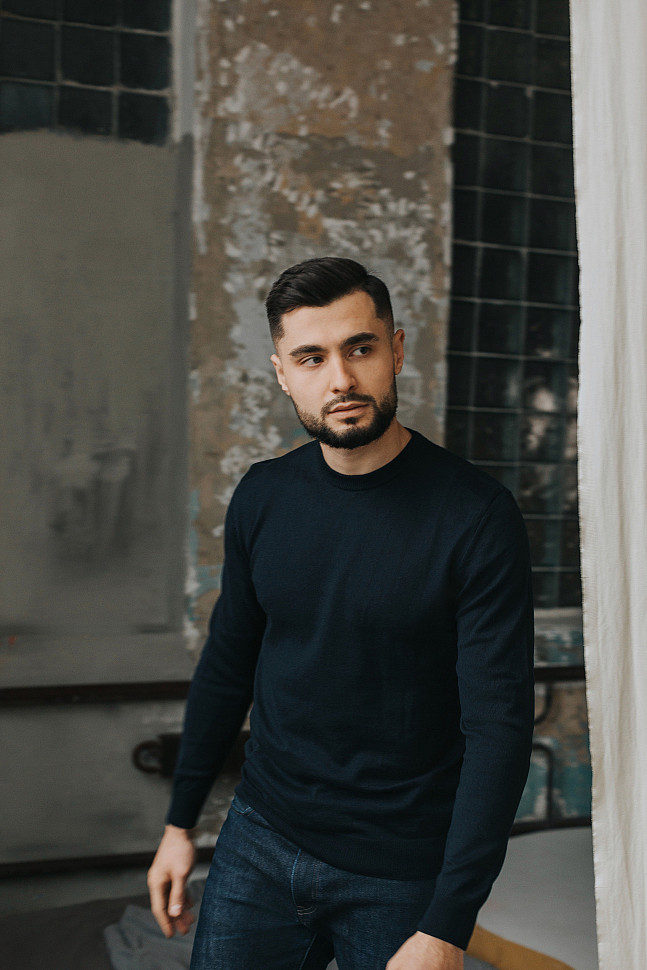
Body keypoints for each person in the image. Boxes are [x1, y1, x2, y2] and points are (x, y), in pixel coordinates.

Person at [147, 257, 535, 970]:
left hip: (400, 867)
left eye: (359, 348)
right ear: (281, 372)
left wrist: (448, 924)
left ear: (396, 349)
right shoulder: (263, 496)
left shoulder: (476, 517)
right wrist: (179, 825)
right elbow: (228, 662)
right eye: (311, 357)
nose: (341, 380)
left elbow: (499, 727)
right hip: (261, 837)